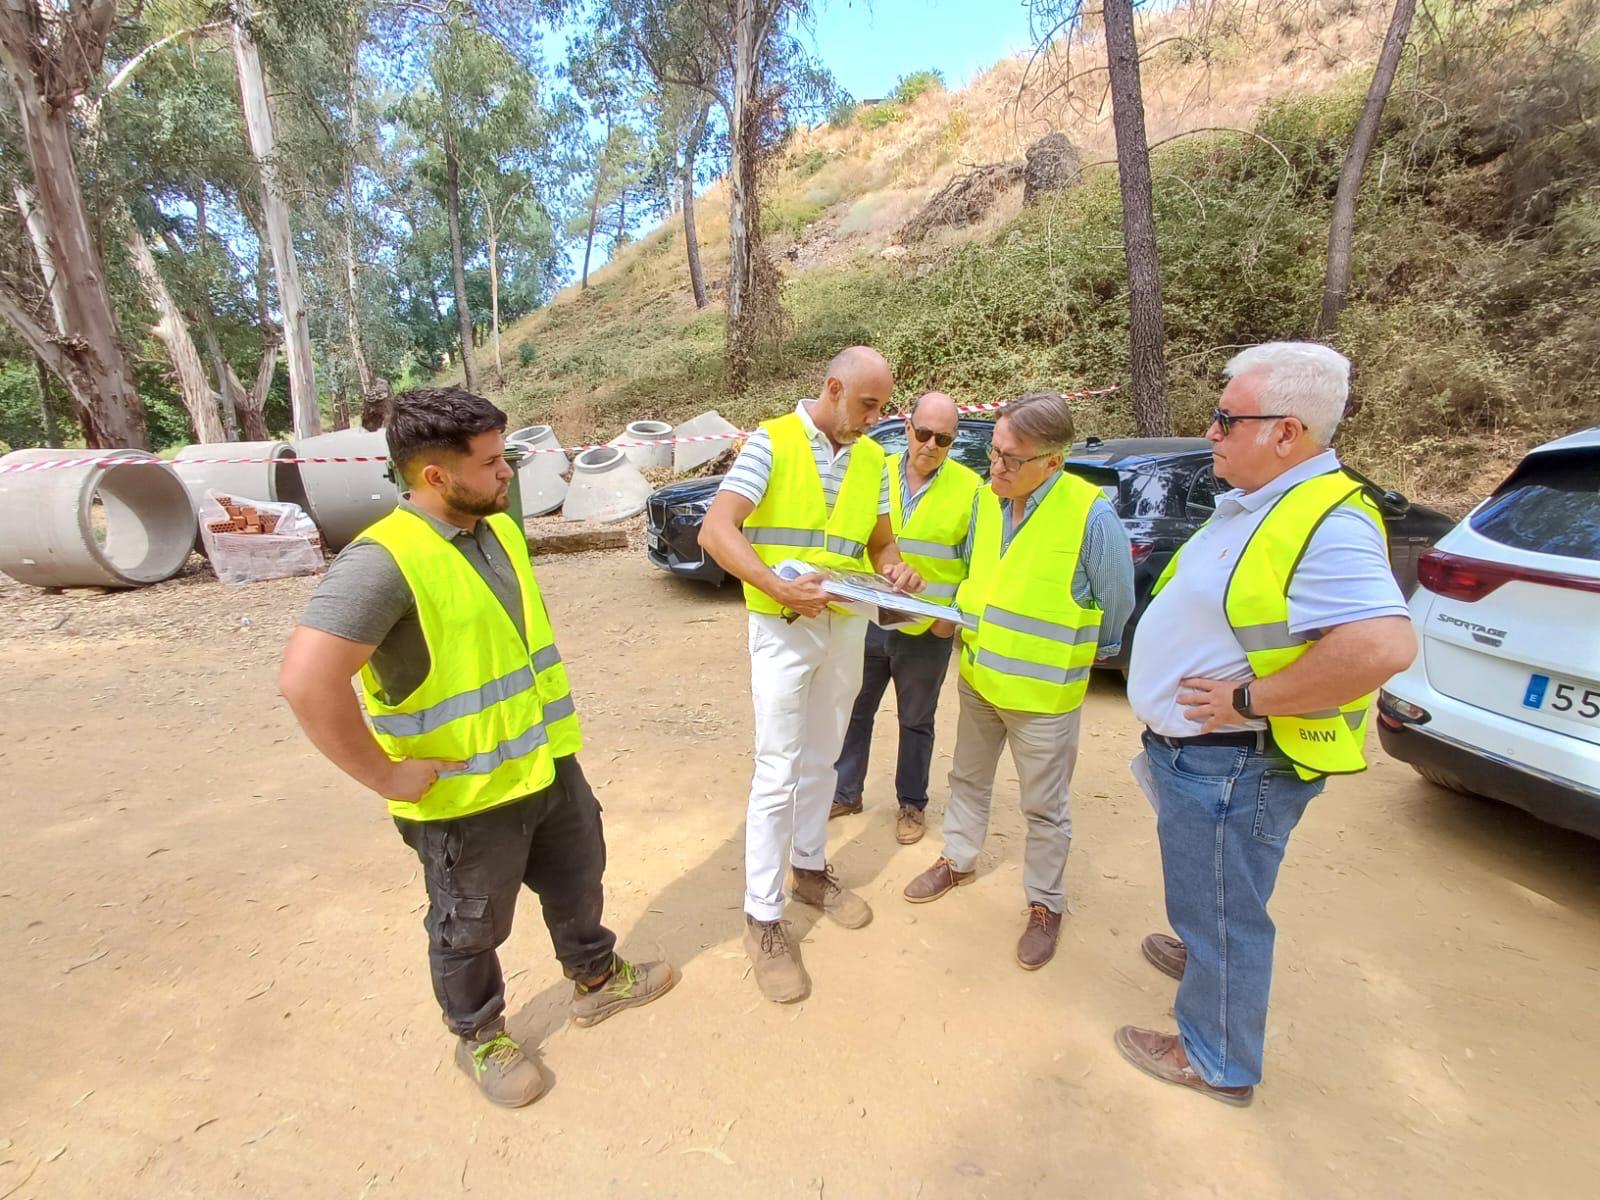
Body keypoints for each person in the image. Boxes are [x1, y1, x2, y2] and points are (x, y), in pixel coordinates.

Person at [277, 387, 675, 1110]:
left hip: (545, 766)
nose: (508, 475)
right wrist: (384, 774)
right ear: (434, 475)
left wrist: (554, 759)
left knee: (579, 877)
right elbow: (306, 682)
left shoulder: (498, 529)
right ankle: (481, 1035)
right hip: (463, 800)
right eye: (492, 462)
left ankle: (595, 979)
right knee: (468, 926)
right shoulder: (381, 563)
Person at [1117, 343, 1417, 1106]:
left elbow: (1383, 644)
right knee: (1216, 893)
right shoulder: (1261, 502)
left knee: (1222, 907)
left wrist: (1249, 701)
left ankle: (1216, 1057)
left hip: (1233, 758)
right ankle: (1207, 963)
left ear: (1286, 431)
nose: (1210, 433)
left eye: (1225, 419)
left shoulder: (1327, 520)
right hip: (1209, 758)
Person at [699, 347, 924, 1004]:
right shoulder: (771, 443)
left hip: (845, 624)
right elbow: (717, 530)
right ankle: (762, 918)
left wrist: (897, 570)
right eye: (869, 405)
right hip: (782, 626)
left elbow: (880, 544)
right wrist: (776, 586)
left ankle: (808, 871)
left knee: (823, 761)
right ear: (833, 388)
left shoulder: (876, 460)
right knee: (777, 770)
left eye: (884, 406)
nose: (879, 418)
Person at [903, 391, 1134, 971]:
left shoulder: (1091, 515)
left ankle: (1045, 903)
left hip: (1043, 697)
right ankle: (957, 860)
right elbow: (976, 578)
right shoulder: (987, 501)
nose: (996, 467)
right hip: (980, 678)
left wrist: (1070, 658)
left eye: (1012, 459)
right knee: (967, 780)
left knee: (1044, 808)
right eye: (995, 452)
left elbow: (1115, 607)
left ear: (1053, 461)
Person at [831, 391, 982, 846]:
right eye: (923, 433)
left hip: (925, 631)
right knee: (856, 710)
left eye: (943, 438)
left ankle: (912, 804)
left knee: (917, 718)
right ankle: (846, 791)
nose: (931, 445)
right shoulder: (875, 473)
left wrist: (948, 621)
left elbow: (976, 566)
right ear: (906, 429)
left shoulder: (971, 489)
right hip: (871, 618)